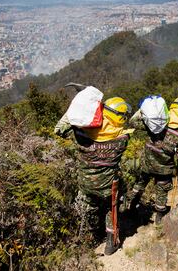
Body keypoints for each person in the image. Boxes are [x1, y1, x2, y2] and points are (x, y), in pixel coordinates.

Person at [54, 97, 133, 255]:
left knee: (89, 207)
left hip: (86, 183)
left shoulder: (81, 134)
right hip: (110, 185)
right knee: (111, 208)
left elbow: (59, 129)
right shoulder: (123, 139)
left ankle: (90, 237)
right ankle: (110, 244)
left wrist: (77, 106)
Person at [125, 95, 178, 224]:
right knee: (162, 191)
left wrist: (143, 110)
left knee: (139, 185)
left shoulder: (155, 120)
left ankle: (130, 208)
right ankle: (159, 218)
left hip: (146, 164)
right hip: (164, 169)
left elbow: (132, 122)